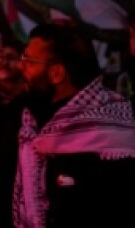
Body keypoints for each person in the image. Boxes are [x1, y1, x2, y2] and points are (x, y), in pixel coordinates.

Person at [8, 22, 135, 228]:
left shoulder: (116, 134)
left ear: (57, 73)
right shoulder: (29, 122)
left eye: (29, 61)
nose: (20, 66)